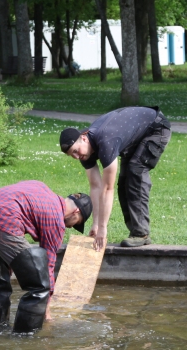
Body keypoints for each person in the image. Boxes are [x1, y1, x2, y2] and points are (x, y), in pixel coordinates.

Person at [0, 181, 92, 334]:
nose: (71, 227)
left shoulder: (40, 188)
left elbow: (14, 207)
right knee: (39, 286)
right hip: (1, 224)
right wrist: (46, 307)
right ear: (76, 212)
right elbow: (47, 266)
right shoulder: (56, 219)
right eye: (76, 223)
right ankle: (24, 340)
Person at [59, 106, 172, 249]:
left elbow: (107, 189)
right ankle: (137, 231)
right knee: (124, 181)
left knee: (134, 173)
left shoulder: (105, 141)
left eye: (75, 151)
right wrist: (95, 224)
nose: (76, 156)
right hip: (134, 135)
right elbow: (96, 186)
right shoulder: (84, 151)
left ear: (83, 138)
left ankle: (141, 234)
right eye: (71, 155)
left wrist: (103, 228)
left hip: (155, 128)